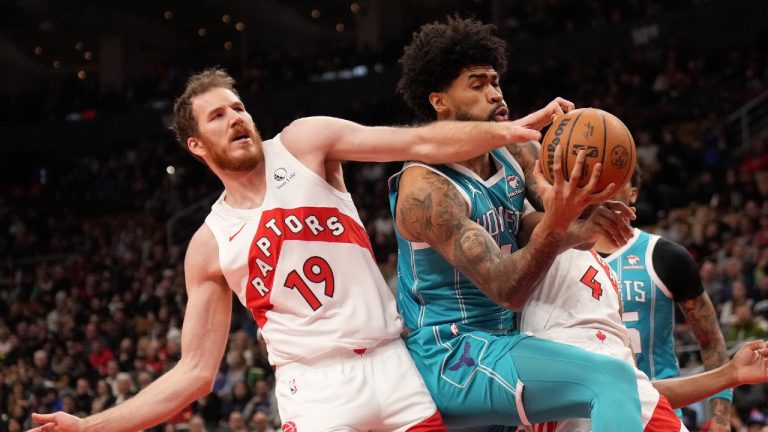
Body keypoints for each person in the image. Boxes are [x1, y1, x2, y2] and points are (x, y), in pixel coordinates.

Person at [28, 67, 561, 432]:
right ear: (195, 145)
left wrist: (507, 133)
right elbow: (194, 373)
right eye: (217, 117)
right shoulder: (208, 245)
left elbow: (420, 142)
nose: (235, 118)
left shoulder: (306, 144)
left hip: (391, 361)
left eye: (237, 108)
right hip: (315, 387)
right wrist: (91, 425)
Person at [392, 16, 644, 431]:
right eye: (478, 84)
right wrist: (563, 223)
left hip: (503, 342)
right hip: (453, 355)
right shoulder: (425, 189)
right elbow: (507, 288)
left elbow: (531, 222)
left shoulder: (514, 152)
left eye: (495, 82)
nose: (495, 93)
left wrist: (589, 216)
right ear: (440, 101)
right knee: (610, 380)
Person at [519, 245, 768, 431]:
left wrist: (731, 375)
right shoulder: (541, 235)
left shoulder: (620, 270)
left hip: (647, 403)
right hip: (568, 405)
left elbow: (634, 389)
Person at [594, 170, 734, 430]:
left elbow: (711, 341)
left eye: (617, 176)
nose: (607, 186)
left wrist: (721, 419)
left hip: (660, 412)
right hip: (593, 414)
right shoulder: (565, 256)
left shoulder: (666, 256)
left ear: (633, 192)